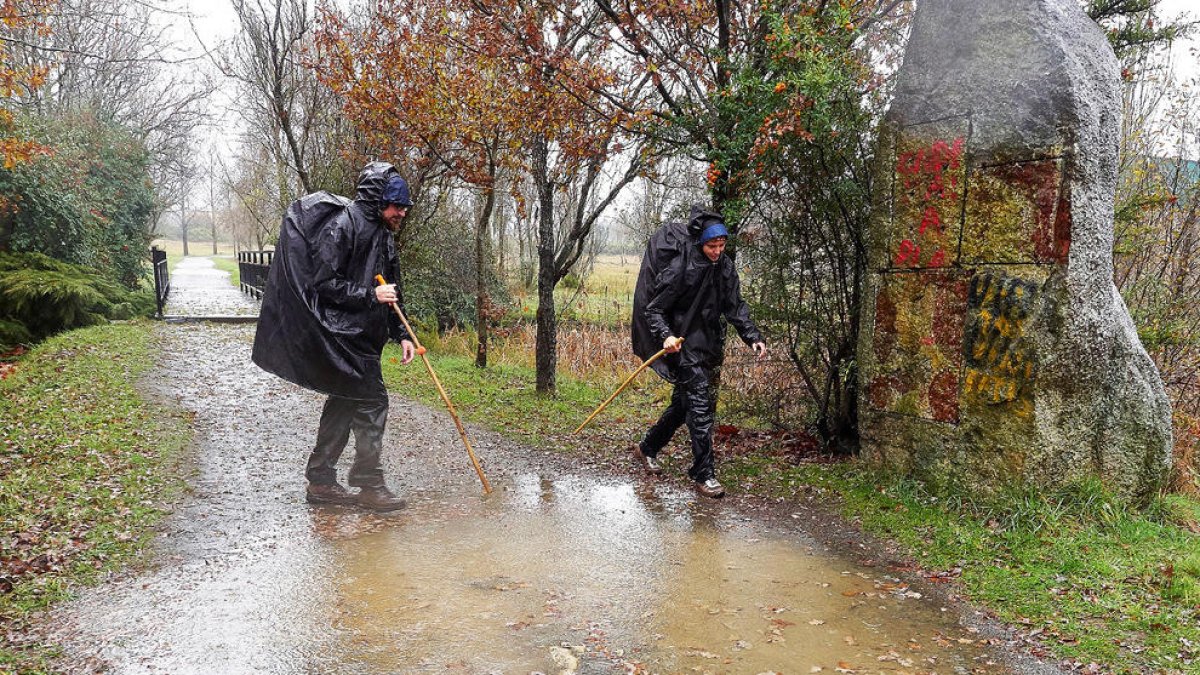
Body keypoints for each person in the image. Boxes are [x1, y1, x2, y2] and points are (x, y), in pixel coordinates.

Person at [252, 161, 416, 512]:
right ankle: (369, 485)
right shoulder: (344, 226)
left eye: (403, 206)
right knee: (373, 403)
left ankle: (321, 481)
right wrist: (369, 296)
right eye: (396, 205)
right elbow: (324, 284)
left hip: (365, 338)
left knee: (343, 403)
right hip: (342, 335)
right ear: (377, 199)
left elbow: (390, 290)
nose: (401, 212)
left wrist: (401, 333)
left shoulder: (385, 234)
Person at [629, 205, 767, 498]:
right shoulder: (681, 267)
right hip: (682, 345)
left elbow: (734, 306)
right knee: (700, 408)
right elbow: (654, 309)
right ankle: (704, 474)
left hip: (707, 345)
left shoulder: (725, 267)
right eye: (711, 245)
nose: (717, 251)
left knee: (683, 405)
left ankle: (647, 447)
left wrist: (752, 336)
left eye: (721, 245)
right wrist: (665, 336)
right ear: (700, 242)